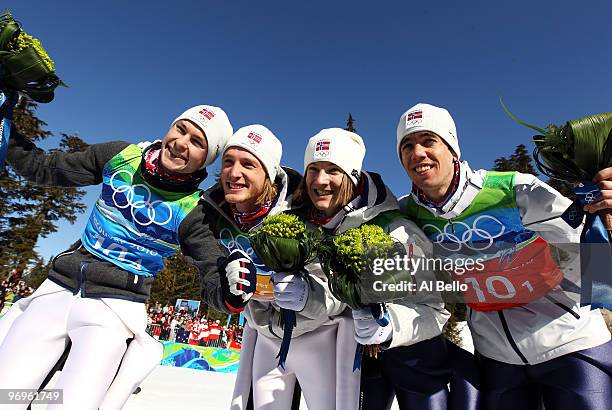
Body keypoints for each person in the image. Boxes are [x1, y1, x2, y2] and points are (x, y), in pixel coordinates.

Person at [0, 105, 252, 410]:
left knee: (71, 405)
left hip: (113, 310)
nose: (182, 142)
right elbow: (44, 166)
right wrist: (5, 128)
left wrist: (232, 291)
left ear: (207, 159)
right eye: (180, 129)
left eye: (198, 142)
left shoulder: (194, 210)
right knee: (7, 395)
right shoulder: (122, 156)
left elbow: (212, 270)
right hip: (58, 288)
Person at [396, 102, 611, 409]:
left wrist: (604, 209)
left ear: (452, 148)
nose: (417, 153)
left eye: (429, 141)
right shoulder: (408, 214)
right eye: (407, 146)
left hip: (569, 345)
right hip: (498, 359)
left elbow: (589, 241)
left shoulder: (515, 190)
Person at [295, 128, 479, 409]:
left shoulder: (396, 230)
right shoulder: (306, 228)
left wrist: (389, 324)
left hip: (414, 360)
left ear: (353, 176)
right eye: (313, 169)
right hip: (350, 365)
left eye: (333, 170)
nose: (320, 181)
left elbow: (434, 309)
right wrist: (304, 296)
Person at [201, 124, 353, 409]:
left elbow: (341, 281)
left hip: (316, 336)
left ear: (269, 174)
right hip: (263, 338)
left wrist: (310, 295)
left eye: (248, 164)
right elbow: (207, 276)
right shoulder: (211, 211)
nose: (234, 174)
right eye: (228, 162)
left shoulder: (305, 211)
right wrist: (227, 295)